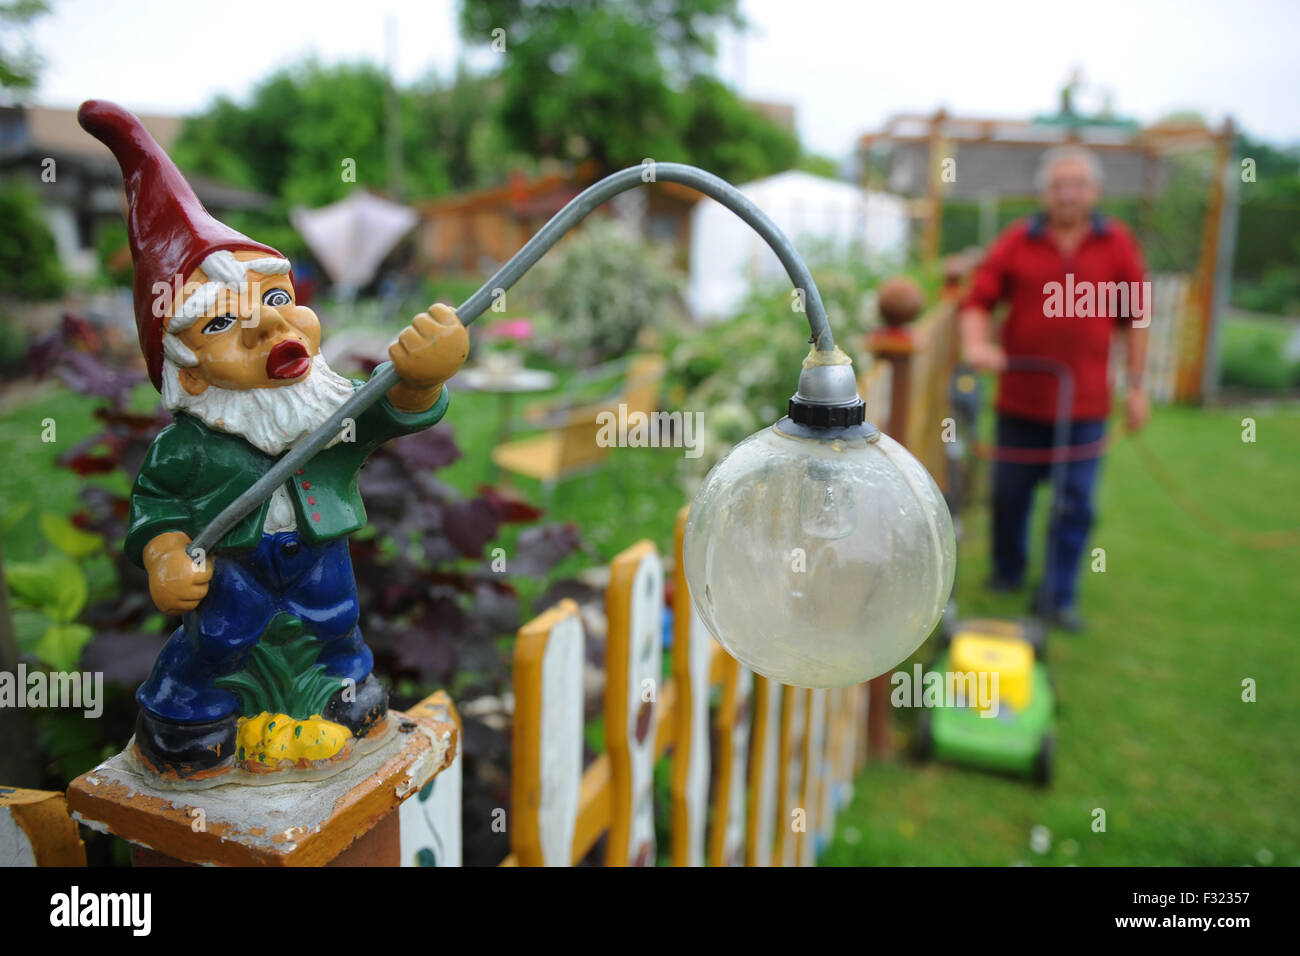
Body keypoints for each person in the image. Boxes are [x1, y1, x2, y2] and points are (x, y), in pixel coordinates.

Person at [79, 100, 469, 777]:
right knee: (220, 640)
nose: (267, 327)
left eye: (279, 299)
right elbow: (159, 509)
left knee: (334, 625)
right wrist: (165, 557)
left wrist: (419, 382)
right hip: (235, 566)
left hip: (318, 554)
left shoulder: (324, 406)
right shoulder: (190, 446)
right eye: (222, 325)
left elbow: (382, 414)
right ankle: (189, 717)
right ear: (190, 376)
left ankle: (344, 697)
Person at [959, 145, 1150, 631]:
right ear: (1044, 192)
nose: (1068, 194)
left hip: (1084, 407)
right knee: (1009, 497)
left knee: (1075, 504)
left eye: (1078, 184)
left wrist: (1137, 387)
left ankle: (1060, 595)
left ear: (1095, 192)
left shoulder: (1117, 243)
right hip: (1020, 401)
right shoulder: (1019, 239)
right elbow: (979, 300)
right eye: (1059, 185)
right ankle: (1008, 572)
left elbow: (1137, 318)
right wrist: (978, 346)